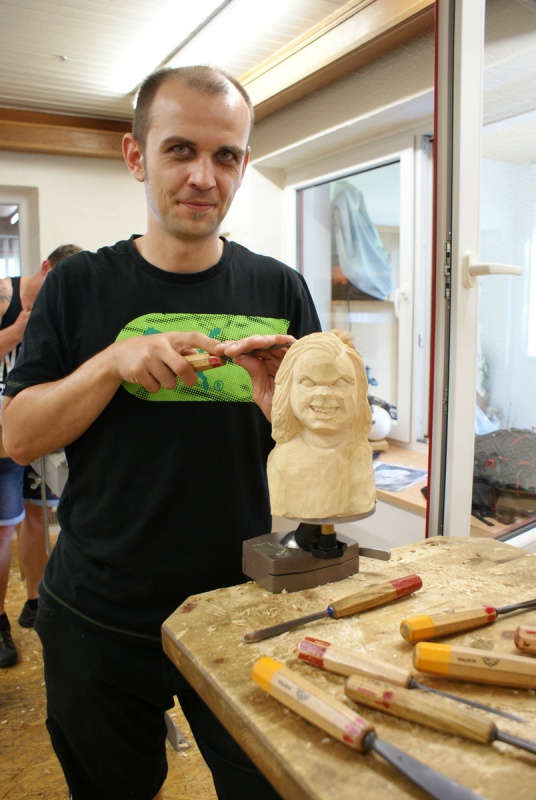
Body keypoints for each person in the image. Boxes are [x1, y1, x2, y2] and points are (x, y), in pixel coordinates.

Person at [1, 66, 321, 800]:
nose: (204, 176)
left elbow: (319, 451)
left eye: (225, 155)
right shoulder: (80, 286)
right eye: (180, 150)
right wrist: (111, 363)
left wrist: (286, 416)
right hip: (99, 613)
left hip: (243, 604)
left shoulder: (279, 288)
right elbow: (17, 437)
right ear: (136, 156)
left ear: (243, 164)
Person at [0, 243, 83, 668]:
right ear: (44, 267)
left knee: (39, 514)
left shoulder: (67, 302)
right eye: (57, 282)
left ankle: (35, 599)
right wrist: (18, 330)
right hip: (4, 427)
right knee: (3, 529)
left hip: (41, 423)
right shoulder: (4, 295)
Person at [267, 331, 376, 521]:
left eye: (340, 383)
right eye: (308, 383)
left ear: (359, 391)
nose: (324, 393)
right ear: (287, 389)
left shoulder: (361, 457)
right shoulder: (283, 462)